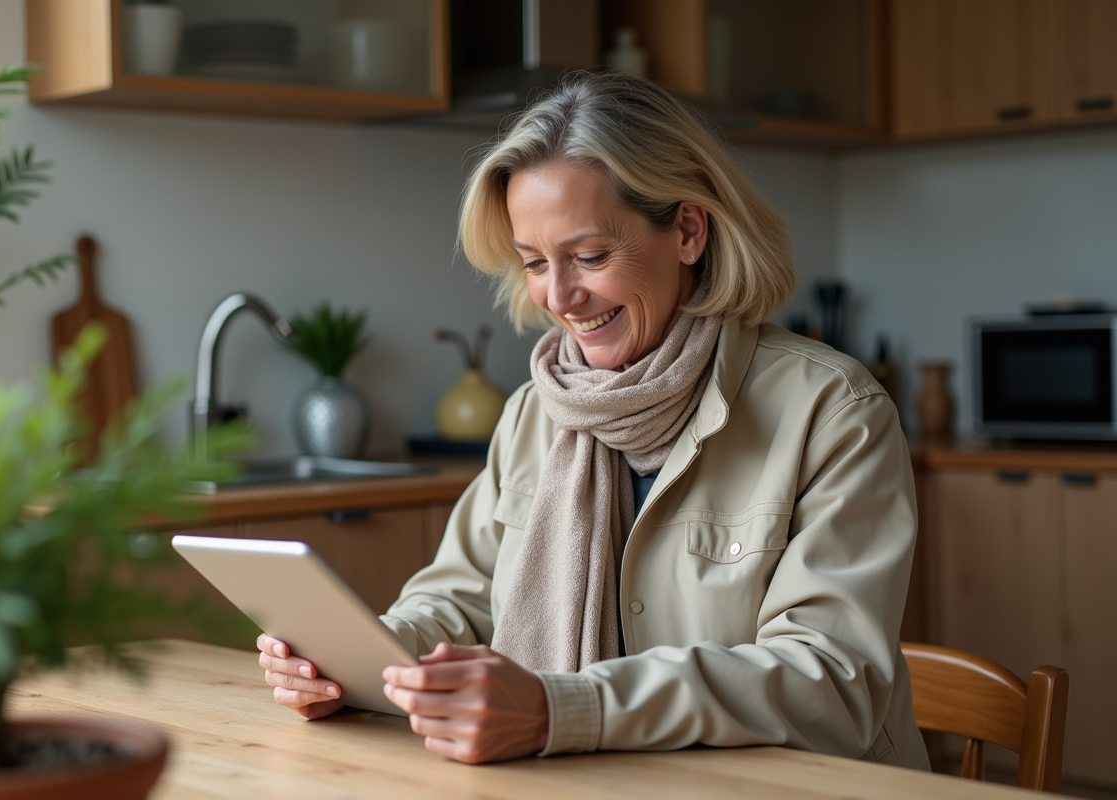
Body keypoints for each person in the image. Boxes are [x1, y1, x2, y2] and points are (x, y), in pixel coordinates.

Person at [257, 72, 930, 770]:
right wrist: (360, 664)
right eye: (534, 264)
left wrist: (564, 708)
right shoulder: (534, 414)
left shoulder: (833, 410)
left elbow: (830, 681)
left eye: (590, 257)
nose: (560, 295)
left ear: (689, 232)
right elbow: (459, 601)